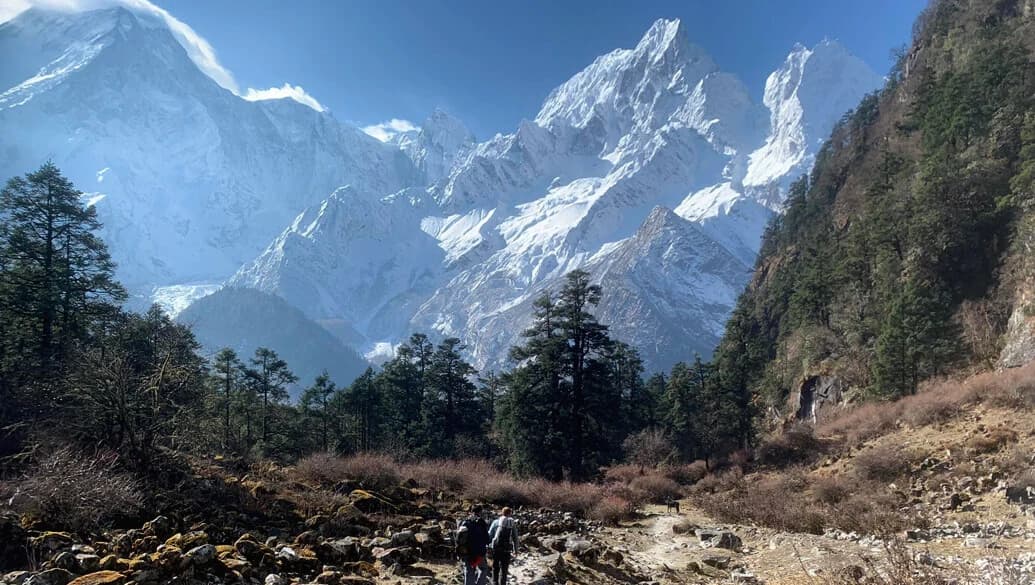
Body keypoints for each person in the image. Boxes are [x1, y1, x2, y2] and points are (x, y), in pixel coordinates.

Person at [456, 504, 490, 585]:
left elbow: (458, 538)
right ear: (480, 512)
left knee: (468, 570)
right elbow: (487, 539)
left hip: (467, 552)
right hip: (480, 552)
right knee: (483, 568)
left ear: (471, 511)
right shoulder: (482, 523)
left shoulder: (465, 522)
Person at [487, 507, 520, 585]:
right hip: (506, 549)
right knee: (504, 569)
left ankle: (495, 582)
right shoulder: (512, 523)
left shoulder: (495, 522)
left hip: (496, 549)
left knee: (495, 568)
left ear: (502, 513)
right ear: (510, 513)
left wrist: (488, 546)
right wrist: (516, 550)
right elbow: (515, 538)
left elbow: (490, 535)